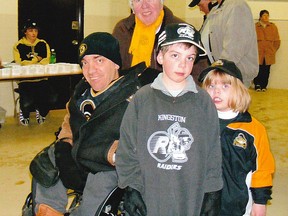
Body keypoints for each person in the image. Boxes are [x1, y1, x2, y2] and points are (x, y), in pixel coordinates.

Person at [30, 32, 159, 216]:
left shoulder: (136, 93)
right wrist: (65, 143)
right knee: (45, 162)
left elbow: (147, 136)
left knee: (98, 183)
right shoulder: (81, 93)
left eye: (99, 61)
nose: (91, 70)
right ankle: (48, 210)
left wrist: (116, 154)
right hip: (79, 156)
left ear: (115, 63)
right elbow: (68, 119)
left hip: (108, 164)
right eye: (85, 63)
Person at [116, 23, 223, 216]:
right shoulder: (142, 98)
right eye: (175, 55)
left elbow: (213, 151)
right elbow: (127, 147)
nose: (183, 64)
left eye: (189, 58)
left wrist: (212, 191)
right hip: (151, 194)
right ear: (159, 56)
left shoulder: (203, 101)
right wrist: (131, 187)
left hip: (191, 194)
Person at [198, 59, 275, 215]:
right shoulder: (197, 122)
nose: (216, 92)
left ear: (239, 90)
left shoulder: (253, 129)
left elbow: (262, 169)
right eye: (211, 86)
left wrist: (260, 202)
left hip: (236, 206)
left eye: (225, 86)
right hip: (200, 204)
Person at [200, 0, 258, 87]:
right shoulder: (216, 9)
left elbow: (234, 47)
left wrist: (220, 72)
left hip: (232, 74)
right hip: (221, 72)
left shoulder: (237, 6)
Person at [112, 0, 184, 71]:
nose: (144, 6)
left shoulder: (181, 31)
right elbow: (113, 70)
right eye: (138, 0)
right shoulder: (122, 30)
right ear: (132, 7)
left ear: (161, 3)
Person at [13, 19, 54, 126]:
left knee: (51, 98)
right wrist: (37, 59)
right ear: (25, 32)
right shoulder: (18, 45)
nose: (34, 33)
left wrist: (33, 61)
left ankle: (41, 112)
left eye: (35, 30)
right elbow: (21, 62)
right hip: (25, 79)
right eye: (31, 30)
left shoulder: (43, 44)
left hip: (41, 78)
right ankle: (25, 114)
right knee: (27, 100)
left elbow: (46, 60)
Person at [253, 10, 281, 92]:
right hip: (258, 53)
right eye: (264, 15)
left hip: (269, 53)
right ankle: (257, 85)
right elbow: (251, 40)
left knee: (266, 70)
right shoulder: (255, 27)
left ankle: (264, 85)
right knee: (258, 69)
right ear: (260, 17)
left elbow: (277, 41)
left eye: (267, 15)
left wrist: (273, 50)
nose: (266, 17)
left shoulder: (273, 27)